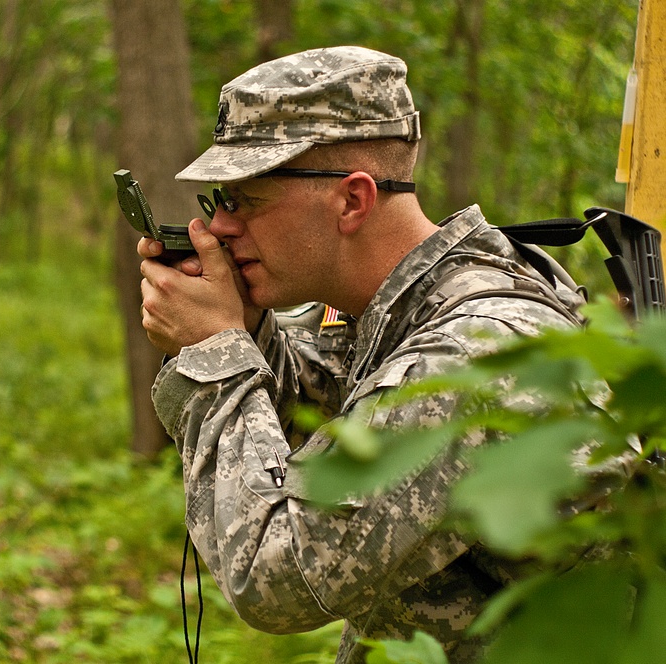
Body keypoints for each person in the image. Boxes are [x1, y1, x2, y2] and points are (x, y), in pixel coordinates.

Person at [136, 46, 588, 663]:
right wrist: (245, 329)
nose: (218, 229)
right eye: (218, 202)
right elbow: (329, 398)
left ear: (353, 200)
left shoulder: (475, 353)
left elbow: (275, 574)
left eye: (246, 200)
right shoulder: (418, 303)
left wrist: (215, 355)